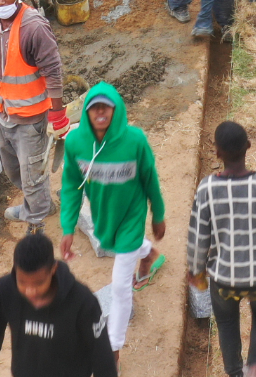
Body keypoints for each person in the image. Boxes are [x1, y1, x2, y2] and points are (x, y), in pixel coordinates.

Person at [186, 121, 256, 377]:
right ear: (248, 147)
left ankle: (235, 372)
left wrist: (195, 270)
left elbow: (197, 238)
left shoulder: (206, 189)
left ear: (217, 153)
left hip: (224, 281)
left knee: (227, 324)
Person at [60, 84, 167, 356]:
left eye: (105, 107)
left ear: (115, 109)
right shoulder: (75, 143)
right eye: (94, 107)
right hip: (105, 215)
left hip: (132, 213)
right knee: (117, 245)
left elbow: (149, 178)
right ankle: (148, 253)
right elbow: (73, 185)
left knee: (120, 286)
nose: (100, 112)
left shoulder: (135, 140)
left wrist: (158, 214)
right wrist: (68, 226)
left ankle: (113, 350)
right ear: (86, 111)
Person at [0, 0, 69, 225]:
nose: (0, 1)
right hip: (3, 111)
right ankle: (39, 203)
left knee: (33, 175)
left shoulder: (34, 28)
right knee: (14, 171)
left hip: (30, 118)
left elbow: (53, 73)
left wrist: (57, 115)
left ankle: (37, 218)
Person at [0, 234, 118, 377]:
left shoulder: (83, 302)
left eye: (39, 283)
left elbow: (102, 358)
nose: (30, 291)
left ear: (53, 269)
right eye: (22, 282)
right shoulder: (2, 292)